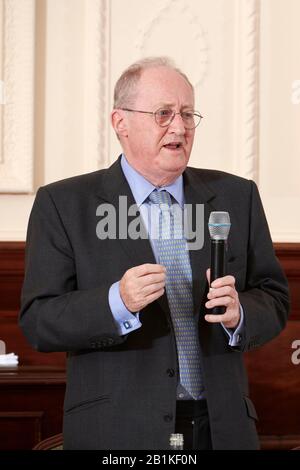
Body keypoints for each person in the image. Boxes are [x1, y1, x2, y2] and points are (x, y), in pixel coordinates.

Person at [19, 57, 289, 450]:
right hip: (118, 431)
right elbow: (38, 321)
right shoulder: (64, 204)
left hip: (222, 428)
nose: (179, 127)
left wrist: (240, 313)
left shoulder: (237, 196)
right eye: (163, 114)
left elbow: (274, 295)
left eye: (187, 114)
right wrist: (118, 302)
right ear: (120, 122)